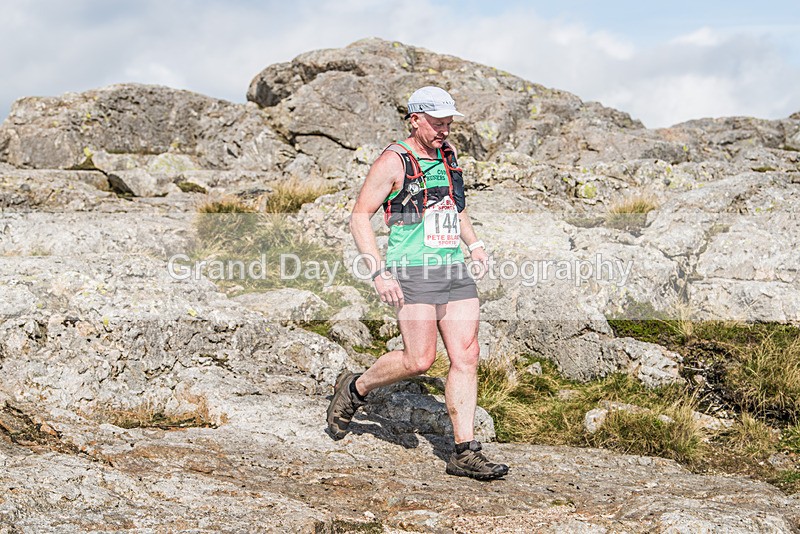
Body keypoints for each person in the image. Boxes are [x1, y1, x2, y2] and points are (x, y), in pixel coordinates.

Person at [326, 86, 509, 481]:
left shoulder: (447, 155)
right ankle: (356, 388)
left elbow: (453, 208)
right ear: (415, 119)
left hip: (453, 268)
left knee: (466, 354)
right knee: (419, 359)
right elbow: (360, 217)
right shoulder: (393, 161)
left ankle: (464, 451)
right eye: (438, 123)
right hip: (412, 270)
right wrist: (378, 271)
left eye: (449, 123)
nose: (445, 130)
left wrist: (475, 246)